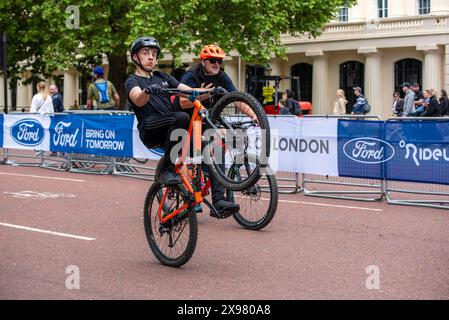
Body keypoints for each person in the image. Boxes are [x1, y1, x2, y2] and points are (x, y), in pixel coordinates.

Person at [124, 37, 240, 217]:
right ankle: (169, 170)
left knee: (214, 144)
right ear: (135, 57)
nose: (150, 58)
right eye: (145, 54)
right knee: (181, 116)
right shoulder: (132, 80)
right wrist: (147, 91)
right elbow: (137, 98)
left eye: (154, 54)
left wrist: (211, 91)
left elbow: (187, 90)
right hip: (151, 129)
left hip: (175, 130)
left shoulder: (162, 77)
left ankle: (219, 199)